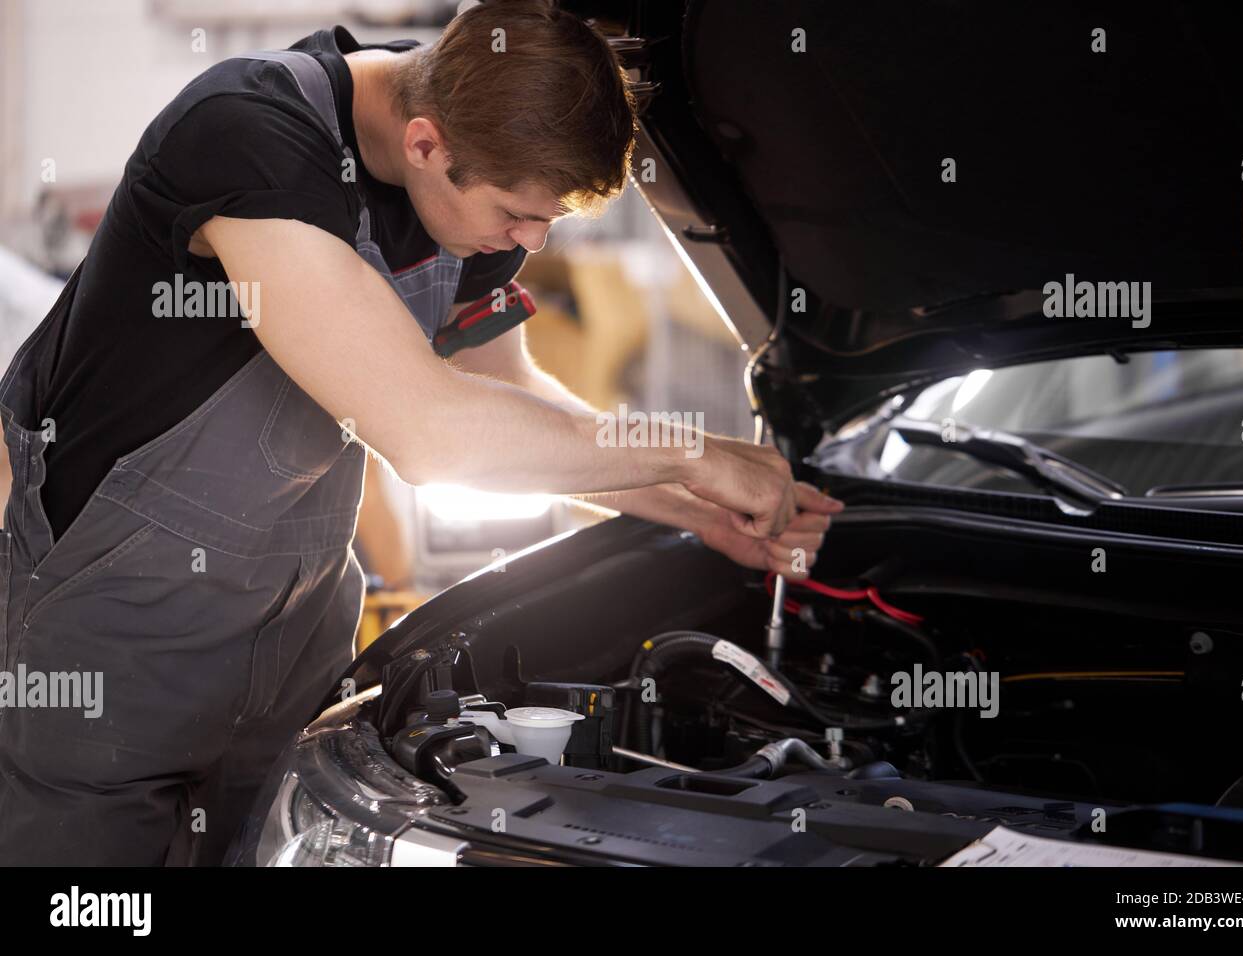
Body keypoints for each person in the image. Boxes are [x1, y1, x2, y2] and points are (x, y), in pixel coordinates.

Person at [0, 0, 841, 865]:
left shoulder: (476, 161)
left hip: (296, 627)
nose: (530, 240)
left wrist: (693, 509)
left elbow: (513, 405)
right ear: (426, 144)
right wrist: (693, 450)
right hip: (115, 627)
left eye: (548, 221)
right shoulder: (248, 137)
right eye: (519, 215)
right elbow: (427, 433)